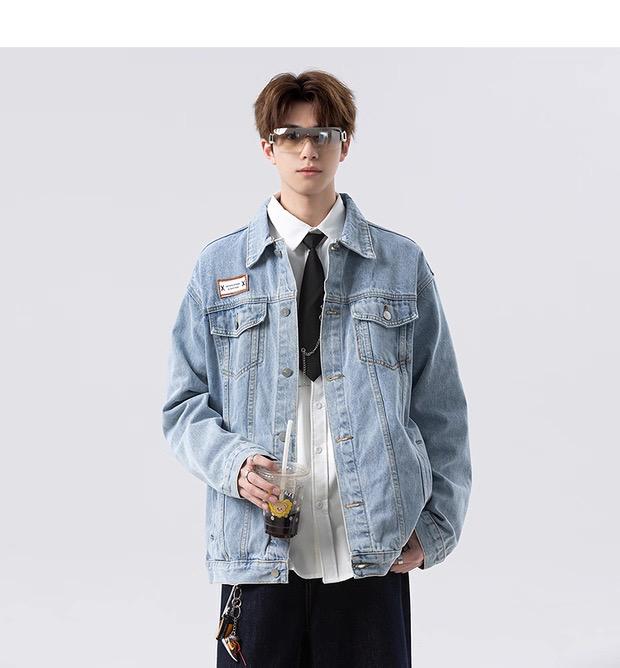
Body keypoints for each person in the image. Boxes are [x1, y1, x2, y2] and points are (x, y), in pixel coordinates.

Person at [162, 69, 472, 667]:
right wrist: (234, 465)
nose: (309, 149)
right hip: (259, 552)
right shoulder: (219, 268)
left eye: (324, 134)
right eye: (292, 135)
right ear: (268, 147)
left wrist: (436, 527)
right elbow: (182, 406)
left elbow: (440, 408)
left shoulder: (400, 264)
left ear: (344, 145)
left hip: (370, 551)